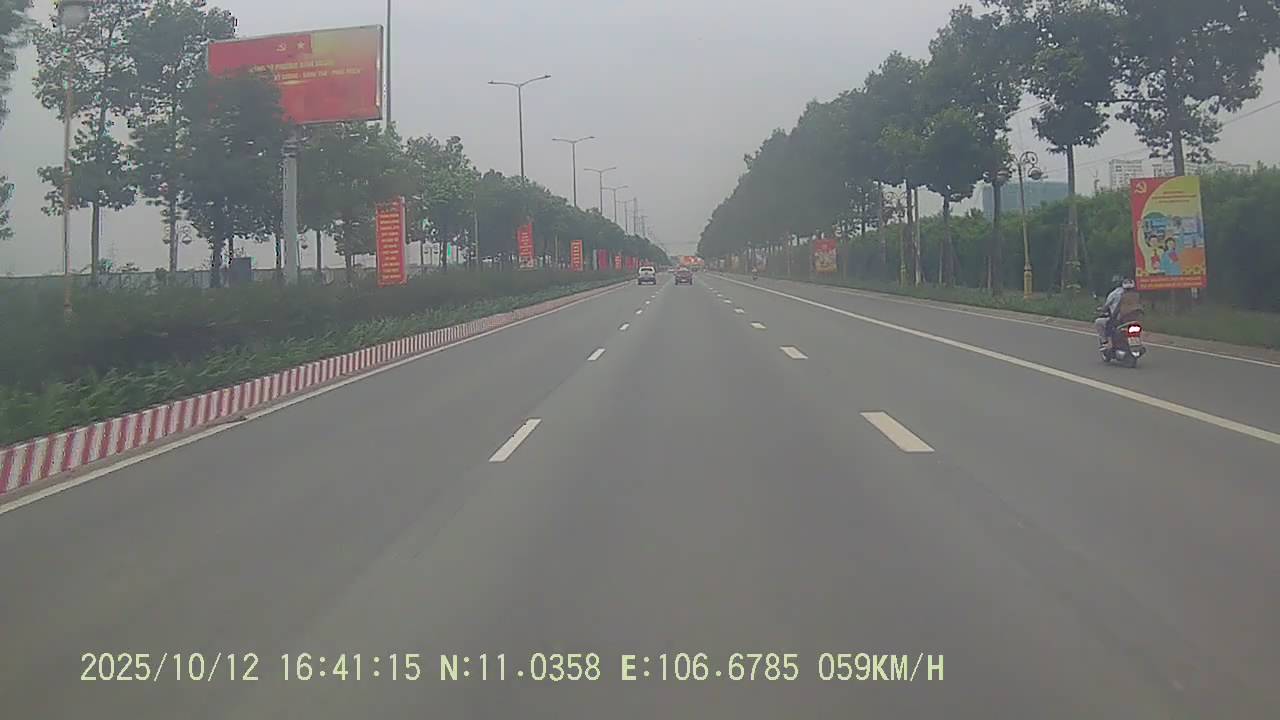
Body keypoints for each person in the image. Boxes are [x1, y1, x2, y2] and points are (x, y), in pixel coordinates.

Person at [1096, 277, 1136, 347]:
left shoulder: (1116, 293)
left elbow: (1109, 306)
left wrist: (1103, 310)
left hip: (1120, 319)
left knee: (1099, 322)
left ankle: (1105, 343)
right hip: (1135, 320)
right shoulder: (1137, 295)